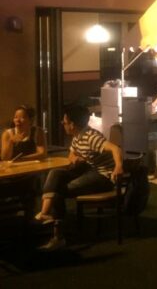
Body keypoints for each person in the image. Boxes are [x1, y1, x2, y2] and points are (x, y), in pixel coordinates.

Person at [35, 104, 123, 250]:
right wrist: (75, 158)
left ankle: (58, 237)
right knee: (56, 173)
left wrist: (118, 166)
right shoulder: (77, 136)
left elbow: (115, 148)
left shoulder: (91, 137)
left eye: (64, 121)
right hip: (90, 170)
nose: (62, 123)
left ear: (72, 124)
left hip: (104, 176)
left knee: (59, 191)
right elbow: (72, 154)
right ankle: (45, 213)